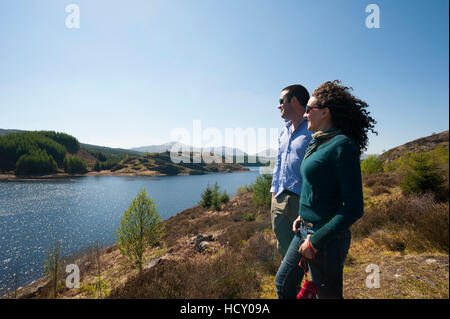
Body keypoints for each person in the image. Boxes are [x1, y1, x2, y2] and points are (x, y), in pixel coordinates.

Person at [275, 80, 377, 299]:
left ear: (325, 113)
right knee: (283, 284)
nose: (305, 115)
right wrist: (302, 214)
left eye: (309, 110)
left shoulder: (342, 146)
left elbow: (353, 208)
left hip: (327, 239)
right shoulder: (317, 142)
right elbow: (316, 186)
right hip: (303, 230)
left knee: (327, 296)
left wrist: (316, 240)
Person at [270, 84, 312, 260]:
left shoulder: (312, 129)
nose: (278, 105)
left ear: (294, 101)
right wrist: (273, 191)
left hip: (302, 200)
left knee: (306, 248)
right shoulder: (284, 131)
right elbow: (279, 162)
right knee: (284, 249)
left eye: (281, 101)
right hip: (279, 198)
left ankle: (312, 285)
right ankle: (291, 286)